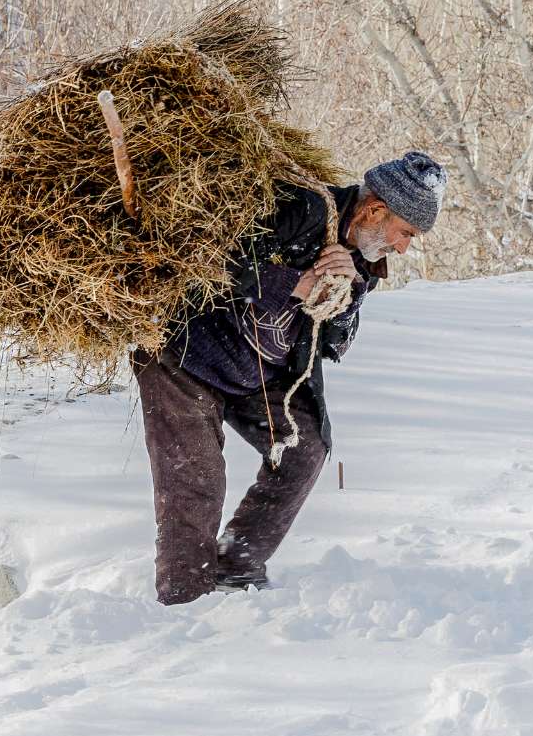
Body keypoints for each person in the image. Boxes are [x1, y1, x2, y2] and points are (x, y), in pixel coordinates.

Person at [131, 151, 446, 604]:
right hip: (183, 355)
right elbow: (210, 259)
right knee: (194, 477)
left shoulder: (365, 260)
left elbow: (336, 343)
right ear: (374, 210)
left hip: (261, 371)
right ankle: (186, 598)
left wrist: (348, 290)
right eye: (406, 233)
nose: (403, 247)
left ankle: (238, 565)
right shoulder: (302, 206)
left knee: (307, 448)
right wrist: (296, 283)